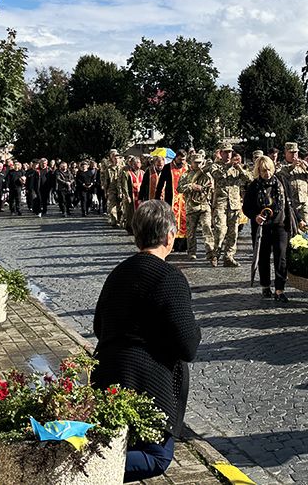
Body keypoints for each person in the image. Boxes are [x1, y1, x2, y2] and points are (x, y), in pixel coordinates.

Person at [92, 200, 201, 482]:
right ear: (169, 236)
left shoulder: (119, 271)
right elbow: (188, 345)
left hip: (107, 370)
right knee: (156, 456)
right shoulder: (170, 277)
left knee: (119, 441)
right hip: (147, 381)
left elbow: (98, 325)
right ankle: (83, 470)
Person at [244, 156, 300, 302]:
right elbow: (246, 208)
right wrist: (255, 216)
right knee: (263, 258)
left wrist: (299, 221)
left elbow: (290, 203)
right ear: (258, 171)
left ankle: (279, 289)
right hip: (262, 228)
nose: (267, 173)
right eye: (263, 171)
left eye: (269, 170)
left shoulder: (281, 182)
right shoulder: (254, 186)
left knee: (281, 257)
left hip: (281, 225)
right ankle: (265, 286)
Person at [210, 141, 251, 267]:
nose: (228, 155)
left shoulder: (237, 167)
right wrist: (229, 166)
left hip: (234, 204)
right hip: (220, 203)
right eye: (225, 152)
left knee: (233, 233)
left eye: (230, 152)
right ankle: (215, 254)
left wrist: (238, 168)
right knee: (220, 230)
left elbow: (249, 179)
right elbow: (218, 175)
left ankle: (229, 256)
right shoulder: (215, 166)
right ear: (220, 153)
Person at [178, 152, 216, 264]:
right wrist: (191, 186)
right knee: (191, 232)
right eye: (196, 163)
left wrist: (209, 187)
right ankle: (191, 252)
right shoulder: (186, 175)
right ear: (191, 163)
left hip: (205, 206)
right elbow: (179, 188)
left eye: (200, 163)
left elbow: (212, 187)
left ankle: (211, 254)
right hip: (191, 207)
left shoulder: (207, 174)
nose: (198, 165)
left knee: (207, 228)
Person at [101, 150, 124, 227]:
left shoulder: (123, 168)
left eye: (118, 158)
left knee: (120, 206)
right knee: (112, 207)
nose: (116, 159)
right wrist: (105, 190)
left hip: (121, 189)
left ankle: (120, 221)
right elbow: (106, 181)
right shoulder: (108, 169)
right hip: (112, 189)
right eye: (115, 157)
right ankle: (114, 220)